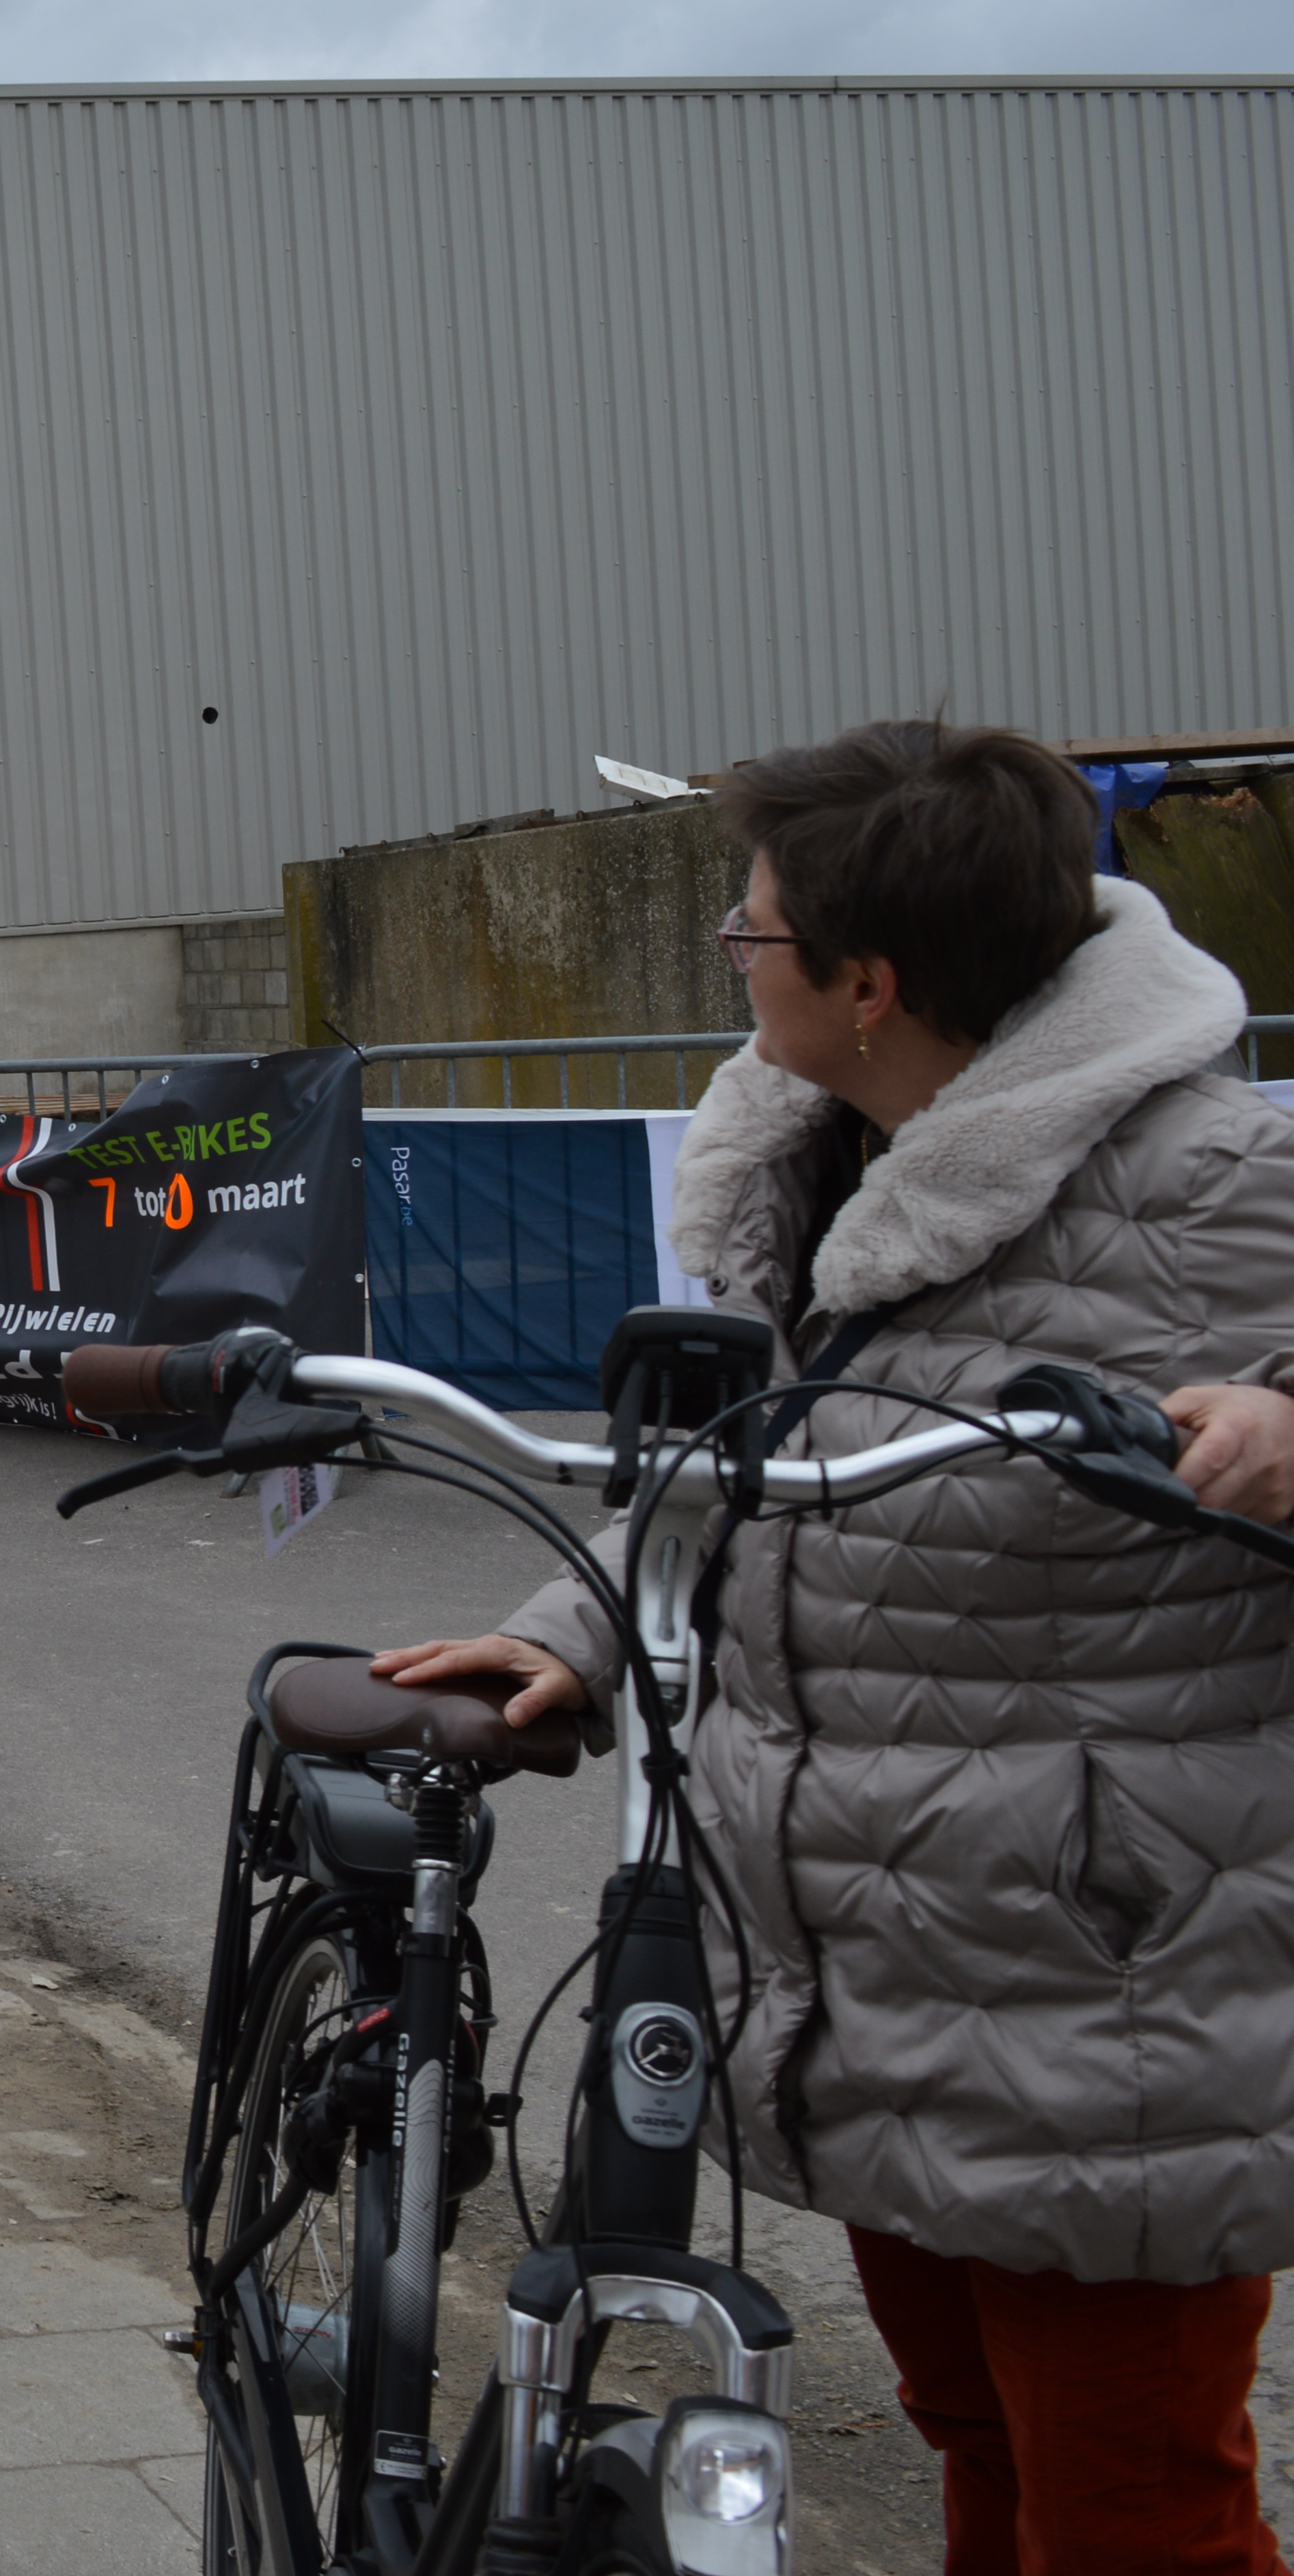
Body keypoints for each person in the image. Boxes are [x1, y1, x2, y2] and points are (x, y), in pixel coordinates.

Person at [374, 720, 1294, 2572]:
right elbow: (763, 1474)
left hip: (1108, 1989)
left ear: (870, 985)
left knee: (1132, 2504)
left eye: (753, 930)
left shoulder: (1212, 1178)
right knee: (979, 2440)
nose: (736, 949)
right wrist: (577, 1623)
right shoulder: (840, 1157)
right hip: (876, 1958)